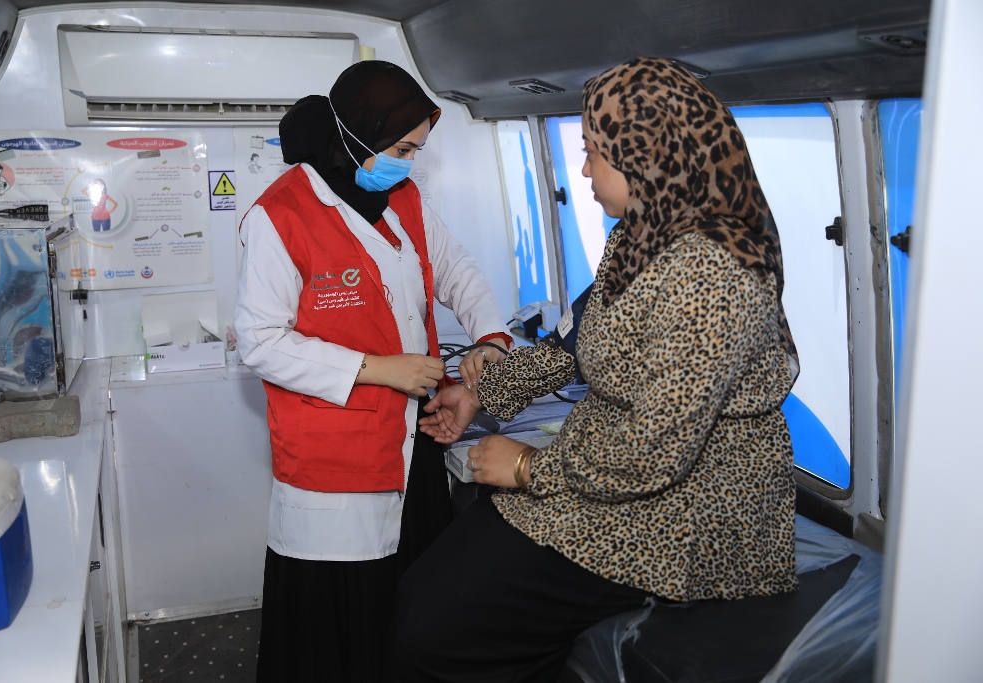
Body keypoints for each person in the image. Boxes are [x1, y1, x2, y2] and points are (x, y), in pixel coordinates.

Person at [393, 56, 801, 681]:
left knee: (436, 630)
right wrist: (483, 392)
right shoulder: (642, 234)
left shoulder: (711, 270)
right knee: (428, 590)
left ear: (645, 154)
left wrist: (528, 467)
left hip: (687, 512)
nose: (583, 169)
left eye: (593, 152)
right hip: (609, 473)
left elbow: (657, 447)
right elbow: (576, 339)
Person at [233, 60, 512, 682]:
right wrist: (378, 368)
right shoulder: (280, 216)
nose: (407, 164)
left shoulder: (403, 198)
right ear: (354, 135)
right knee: (341, 623)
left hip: (413, 440)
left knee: (413, 607)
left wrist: (491, 338)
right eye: (400, 149)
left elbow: (457, 270)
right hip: (336, 453)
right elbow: (260, 341)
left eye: (416, 151)